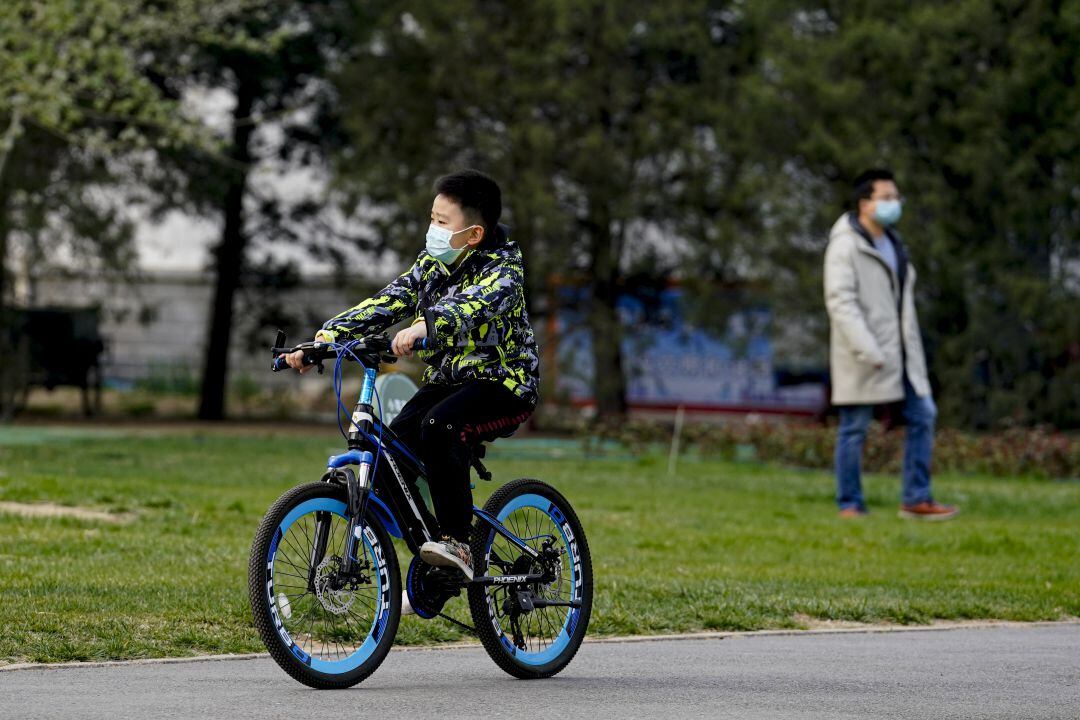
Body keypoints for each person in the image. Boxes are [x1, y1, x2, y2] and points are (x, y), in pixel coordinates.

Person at [284, 169, 539, 583]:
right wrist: (325, 338)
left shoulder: (504, 272)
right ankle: (432, 562)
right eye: (432, 218)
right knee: (389, 448)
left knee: (440, 426)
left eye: (442, 222)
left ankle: (458, 541)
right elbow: (390, 299)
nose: (432, 230)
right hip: (449, 381)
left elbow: (471, 306)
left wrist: (426, 325)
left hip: (504, 385)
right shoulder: (433, 266)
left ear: (473, 234)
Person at [823, 168, 957, 520]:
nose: (893, 204)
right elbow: (840, 302)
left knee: (923, 415)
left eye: (896, 197)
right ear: (865, 203)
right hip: (864, 353)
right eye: (886, 197)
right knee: (854, 428)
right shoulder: (845, 246)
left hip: (902, 352)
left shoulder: (894, 242)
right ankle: (849, 504)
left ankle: (916, 498)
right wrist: (867, 348)